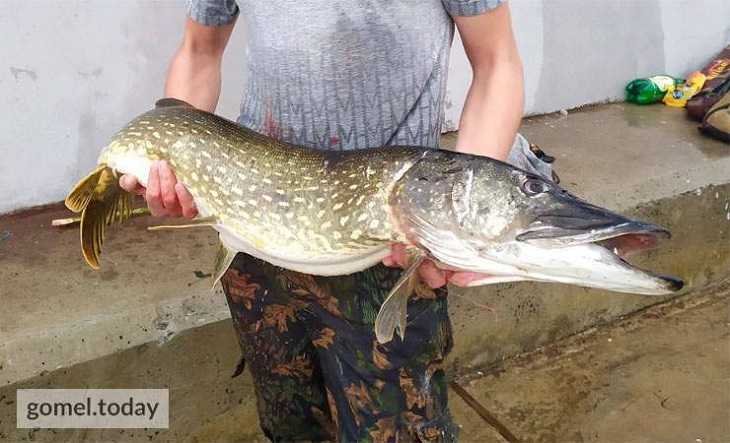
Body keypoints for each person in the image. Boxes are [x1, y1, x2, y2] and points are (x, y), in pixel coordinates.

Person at [120, 0, 553, 441]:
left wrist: (452, 215)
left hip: (386, 249)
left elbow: (496, 62)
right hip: (252, 235)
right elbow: (199, 51)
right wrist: (169, 156)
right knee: (292, 427)